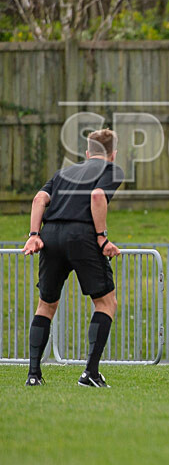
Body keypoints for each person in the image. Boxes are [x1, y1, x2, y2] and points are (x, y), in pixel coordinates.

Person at [22, 128, 124, 388]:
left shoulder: (63, 172)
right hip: (81, 235)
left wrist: (34, 234)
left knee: (46, 304)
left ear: (88, 153)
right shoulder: (111, 170)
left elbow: (39, 198)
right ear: (112, 154)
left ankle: (34, 375)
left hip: (50, 235)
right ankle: (90, 373)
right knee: (106, 302)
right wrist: (102, 238)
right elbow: (97, 196)